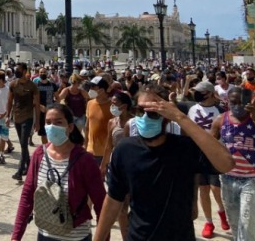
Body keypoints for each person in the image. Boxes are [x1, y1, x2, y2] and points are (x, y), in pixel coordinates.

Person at [93, 85, 235, 241]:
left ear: (166, 116)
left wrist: (181, 117)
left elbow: (226, 163)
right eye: (140, 111)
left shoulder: (185, 148)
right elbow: (113, 201)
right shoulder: (125, 150)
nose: (145, 118)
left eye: (153, 113)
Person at [12, 103, 106, 241]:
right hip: (45, 235)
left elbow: (101, 204)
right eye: (48, 122)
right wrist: (16, 236)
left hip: (76, 237)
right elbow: (27, 195)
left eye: (58, 122)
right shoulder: (39, 154)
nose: (52, 127)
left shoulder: (85, 160)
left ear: (70, 127)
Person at [210, 86, 255, 241]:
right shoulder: (220, 120)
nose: (238, 106)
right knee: (235, 224)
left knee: (247, 225)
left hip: (251, 180)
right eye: (234, 102)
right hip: (227, 179)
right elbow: (211, 144)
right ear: (227, 102)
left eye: (242, 102)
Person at [187, 81, 229, 238]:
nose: (197, 94)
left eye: (201, 92)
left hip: (214, 153)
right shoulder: (192, 109)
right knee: (203, 189)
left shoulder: (220, 110)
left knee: (215, 188)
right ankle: (209, 222)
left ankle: (221, 211)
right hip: (197, 154)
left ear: (211, 93)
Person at [99, 90, 134, 238]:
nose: (111, 106)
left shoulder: (135, 122)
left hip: (133, 169)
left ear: (124, 106)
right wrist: (103, 165)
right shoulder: (112, 122)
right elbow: (109, 146)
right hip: (117, 169)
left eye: (115, 104)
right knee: (121, 208)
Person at [6, 62, 40, 181]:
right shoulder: (13, 84)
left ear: (25, 71)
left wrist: (37, 121)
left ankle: (20, 171)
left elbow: (36, 105)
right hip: (16, 117)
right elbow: (10, 101)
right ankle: (30, 165)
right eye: (16, 69)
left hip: (28, 117)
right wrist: (7, 116)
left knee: (24, 143)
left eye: (19, 69)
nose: (17, 71)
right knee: (22, 143)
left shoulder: (32, 86)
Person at [84, 77, 113, 165]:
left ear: (102, 90)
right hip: (90, 151)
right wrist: (85, 146)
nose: (90, 89)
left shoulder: (112, 106)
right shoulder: (90, 103)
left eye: (93, 87)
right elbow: (87, 126)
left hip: (105, 153)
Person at [35, 68, 59, 145]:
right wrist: (39, 106)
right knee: (43, 132)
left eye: (44, 72)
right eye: (41, 72)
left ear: (47, 73)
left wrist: (54, 106)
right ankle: (45, 148)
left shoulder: (52, 85)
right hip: (40, 112)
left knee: (53, 129)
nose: (43, 73)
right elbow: (33, 99)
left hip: (51, 111)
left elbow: (57, 97)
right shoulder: (36, 85)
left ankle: (53, 145)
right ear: (39, 73)